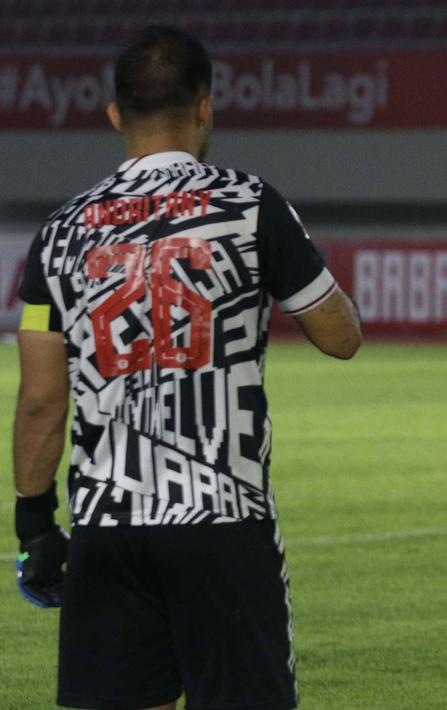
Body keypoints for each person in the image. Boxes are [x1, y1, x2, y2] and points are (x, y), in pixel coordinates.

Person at [13, 26, 361, 710]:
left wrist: (35, 527)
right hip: (221, 516)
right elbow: (339, 336)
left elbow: (40, 401)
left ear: (115, 114)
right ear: (205, 107)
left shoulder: (59, 232)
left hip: (106, 525)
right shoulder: (250, 205)